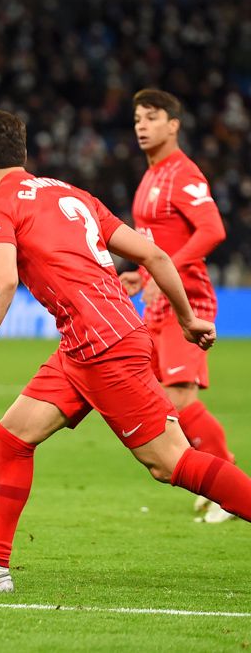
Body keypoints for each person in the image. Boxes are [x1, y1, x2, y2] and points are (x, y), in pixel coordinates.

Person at [0, 109, 251, 593]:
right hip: (88, 341)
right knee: (13, 435)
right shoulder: (68, 191)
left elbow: (4, 278)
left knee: (171, 463)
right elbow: (153, 255)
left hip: (104, 347)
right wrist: (186, 317)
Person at [118, 89, 234, 523]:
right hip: (157, 301)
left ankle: (229, 484)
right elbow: (154, 243)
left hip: (191, 301)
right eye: (136, 119)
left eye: (151, 117)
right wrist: (143, 275)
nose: (142, 126)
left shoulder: (183, 174)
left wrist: (164, 267)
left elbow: (212, 230)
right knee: (153, 400)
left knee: (178, 399)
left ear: (174, 125)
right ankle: (211, 479)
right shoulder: (149, 176)